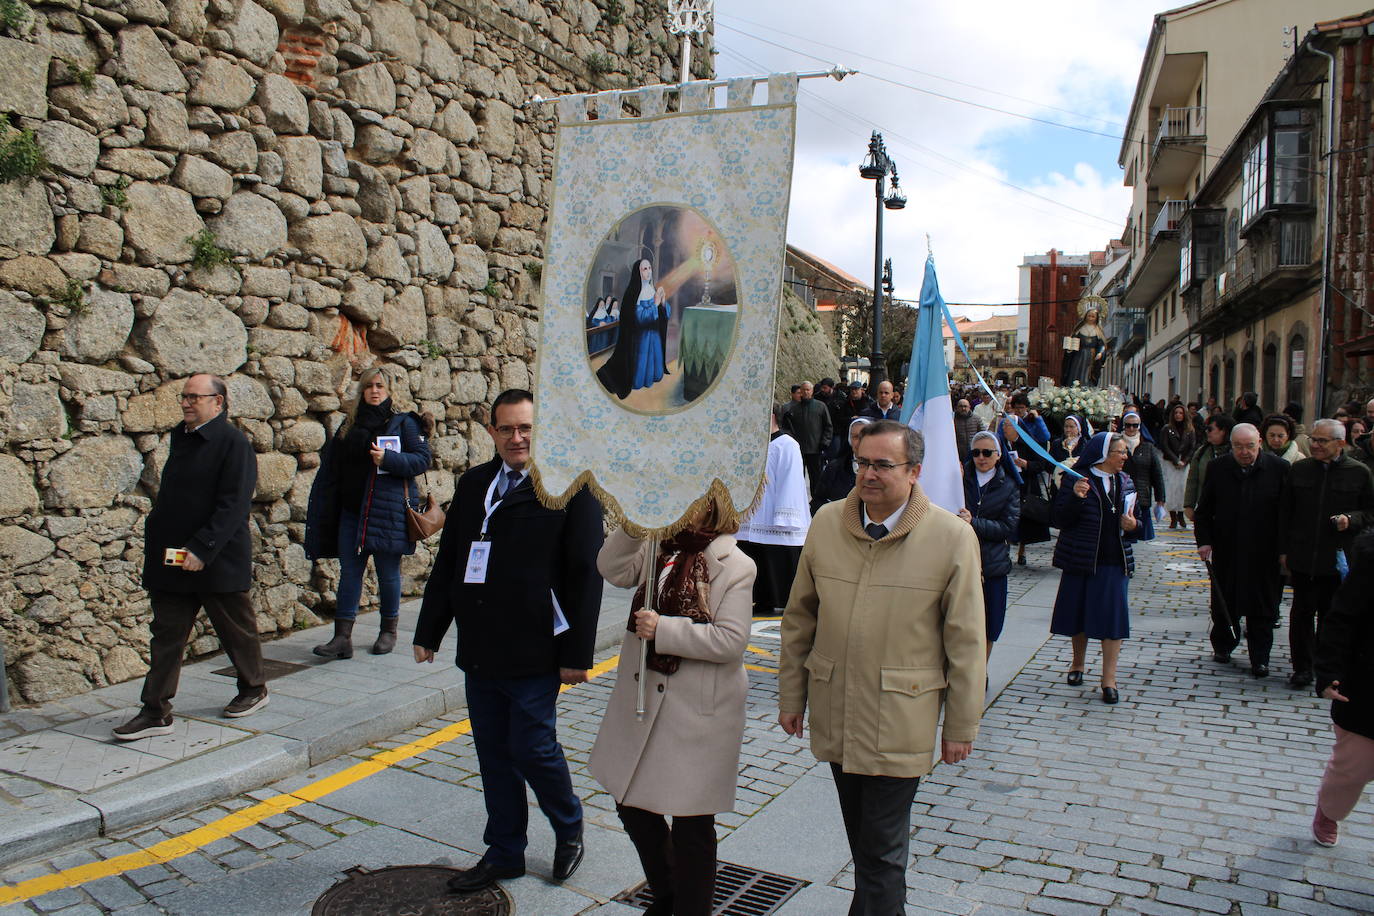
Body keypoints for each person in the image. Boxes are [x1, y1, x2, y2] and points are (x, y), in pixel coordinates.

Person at [778, 420, 985, 915]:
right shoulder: (827, 521)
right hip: (837, 707)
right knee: (866, 847)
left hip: (901, 714)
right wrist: (792, 697)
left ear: (914, 471)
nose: (868, 474)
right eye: (862, 462)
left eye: (882, 465)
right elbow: (799, 617)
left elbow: (967, 641)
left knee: (881, 852)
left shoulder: (951, 537)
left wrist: (960, 725)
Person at [414, 389, 604, 891]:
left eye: (526, 428)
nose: (517, 438)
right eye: (507, 429)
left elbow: (586, 572)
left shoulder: (570, 486)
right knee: (493, 754)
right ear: (492, 431)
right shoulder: (475, 482)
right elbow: (452, 559)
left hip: (537, 645)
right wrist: (429, 629)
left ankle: (569, 827)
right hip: (481, 646)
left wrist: (577, 655)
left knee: (532, 747)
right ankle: (504, 852)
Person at [589, 496, 755, 916]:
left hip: (697, 715)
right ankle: (667, 895)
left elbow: (731, 641)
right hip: (643, 701)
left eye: (695, 498)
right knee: (631, 806)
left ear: (713, 508)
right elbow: (610, 569)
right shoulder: (657, 544)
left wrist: (664, 628)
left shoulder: (735, 565)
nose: (682, 503)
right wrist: (634, 523)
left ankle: (690, 908)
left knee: (692, 824)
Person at [113, 374, 267, 739]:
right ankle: (155, 711)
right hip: (173, 559)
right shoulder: (181, 437)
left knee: (235, 630)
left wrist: (203, 548)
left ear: (218, 402)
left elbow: (234, 505)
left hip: (216, 557)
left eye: (195, 397)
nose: (186, 403)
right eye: (184, 396)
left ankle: (254, 688)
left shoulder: (233, 443)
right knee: (166, 634)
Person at [305, 368, 433, 659]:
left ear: (389, 390)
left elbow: (422, 459)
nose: (374, 391)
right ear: (362, 391)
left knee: (388, 574)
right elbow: (333, 466)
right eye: (369, 386)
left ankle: (388, 631)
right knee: (350, 573)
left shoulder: (403, 423)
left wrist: (388, 458)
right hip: (351, 511)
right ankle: (342, 638)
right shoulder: (349, 425)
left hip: (386, 513)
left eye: (380, 386)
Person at [1278, 418, 1374, 690]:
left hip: (1339, 558)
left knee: (1331, 617)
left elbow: (1369, 513)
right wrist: (1283, 550)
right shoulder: (1300, 470)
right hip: (1304, 555)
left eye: (1322, 441)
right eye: (1313, 439)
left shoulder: (1359, 472)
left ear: (1340, 443)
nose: (1315, 445)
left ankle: (1326, 668)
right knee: (1301, 615)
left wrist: (1350, 519)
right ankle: (1301, 668)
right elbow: (1285, 512)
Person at [1049, 432, 1139, 705]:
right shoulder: (1077, 479)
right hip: (1082, 556)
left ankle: (1108, 679)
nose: (1125, 457)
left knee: (1113, 620)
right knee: (1079, 613)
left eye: (1125, 452)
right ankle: (1077, 664)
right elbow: (1060, 518)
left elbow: (1139, 522)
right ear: (1103, 454)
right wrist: (1075, 498)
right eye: (1120, 452)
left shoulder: (1125, 480)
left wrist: (1134, 526)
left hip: (1114, 559)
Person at [1193, 424, 1289, 677]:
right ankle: (1224, 645)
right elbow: (1204, 510)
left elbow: (1288, 513)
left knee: (1264, 608)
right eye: (1238, 447)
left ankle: (1260, 657)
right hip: (1228, 549)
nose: (1245, 452)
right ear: (1231, 446)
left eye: (1250, 446)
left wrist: (1284, 550)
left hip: (1264, 552)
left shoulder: (1279, 469)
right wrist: (1204, 541)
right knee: (1225, 602)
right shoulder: (1219, 468)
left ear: (1259, 442)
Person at [1311, 529, 1374, 848]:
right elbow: (1341, 619)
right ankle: (1329, 809)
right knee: (1354, 768)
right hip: (1366, 688)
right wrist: (1329, 672)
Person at [737, 405, 810, 616]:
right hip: (751, 517)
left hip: (775, 514)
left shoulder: (787, 444)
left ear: (771, 417)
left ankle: (777, 600)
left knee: (773, 558)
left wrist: (785, 515)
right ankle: (757, 599)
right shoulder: (750, 444)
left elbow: (791, 481)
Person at [960, 431, 1020, 661]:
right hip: (962, 560)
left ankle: (980, 670)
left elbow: (1008, 527)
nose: (981, 458)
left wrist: (974, 522)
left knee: (990, 621)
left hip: (992, 563)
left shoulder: (1009, 486)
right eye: (976, 453)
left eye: (987, 453)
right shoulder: (960, 478)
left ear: (998, 455)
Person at [596, 259, 669, 399]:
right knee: (639, 374)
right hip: (641, 338)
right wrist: (655, 305)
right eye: (644, 269)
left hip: (653, 336)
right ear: (638, 272)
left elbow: (661, 314)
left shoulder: (651, 289)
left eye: (649, 268)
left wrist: (663, 302)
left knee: (656, 372)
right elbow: (640, 318)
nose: (648, 272)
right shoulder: (633, 292)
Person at [998, 394, 1052, 565]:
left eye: (1008, 426)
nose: (1005, 429)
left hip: (1026, 485)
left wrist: (1026, 464)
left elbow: (1041, 464)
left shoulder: (1029, 442)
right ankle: (1005, 548)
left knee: (1024, 520)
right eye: (1004, 426)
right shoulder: (1001, 443)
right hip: (1006, 484)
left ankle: (1022, 550)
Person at [1120, 411, 1165, 542]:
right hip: (1121, 494)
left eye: (1135, 425)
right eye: (1128, 425)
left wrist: (1160, 499)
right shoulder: (1116, 443)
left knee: (1141, 539)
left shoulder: (1148, 447)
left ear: (1139, 426)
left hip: (1142, 495)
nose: (1131, 428)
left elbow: (1157, 474)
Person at [812, 417, 872, 514]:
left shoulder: (880, 470)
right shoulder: (834, 468)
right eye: (855, 437)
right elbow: (817, 501)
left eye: (864, 436)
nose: (859, 442)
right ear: (849, 439)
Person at [1184, 414, 1234, 522]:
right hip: (1205, 506)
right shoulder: (1202, 452)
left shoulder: (1236, 452)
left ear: (1223, 431)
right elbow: (1192, 480)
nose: (1207, 432)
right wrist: (1189, 505)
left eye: (1210, 429)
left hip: (1231, 507)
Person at [788, 381, 832, 501]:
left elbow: (828, 426)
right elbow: (788, 428)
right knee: (797, 475)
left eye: (808, 390)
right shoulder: (793, 409)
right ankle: (798, 499)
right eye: (804, 390)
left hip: (815, 448)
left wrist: (825, 442)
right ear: (800, 392)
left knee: (816, 476)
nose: (806, 392)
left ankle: (816, 499)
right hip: (798, 449)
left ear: (812, 391)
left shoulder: (820, 406)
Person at [1160, 404, 1196, 529]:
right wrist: (1175, 460)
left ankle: (1181, 515)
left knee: (1182, 488)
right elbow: (1164, 445)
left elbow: (1192, 447)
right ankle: (1173, 517)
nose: (1178, 415)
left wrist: (1185, 461)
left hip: (1184, 463)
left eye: (1180, 413)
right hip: (1171, 462)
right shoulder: (1167, 428)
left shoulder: (1190, 430)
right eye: (1176, 413)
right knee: (1171, 489)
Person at [1062, 304, 1107, 386]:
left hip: (1091, 357)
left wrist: (1100, 353)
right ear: (1085, 316)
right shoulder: (1079, 329)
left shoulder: (1098, 331)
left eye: (1093, 316)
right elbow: (1073, 341)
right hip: (1079, 355)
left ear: (1096, 318)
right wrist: (1069, 349)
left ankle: (1087, 388)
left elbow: (1102, 345)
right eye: (1089, 316)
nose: (1090, 318)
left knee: (1087, 375)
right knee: (1075, 371)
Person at [952, 397, 986, 463]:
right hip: (958, 453)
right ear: (957, 407)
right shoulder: (952, 420)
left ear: (969, 407)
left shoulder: (976, 418)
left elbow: (982, 434)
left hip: (974, 451)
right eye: (961, 406)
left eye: (965, 406)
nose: (963, 408)